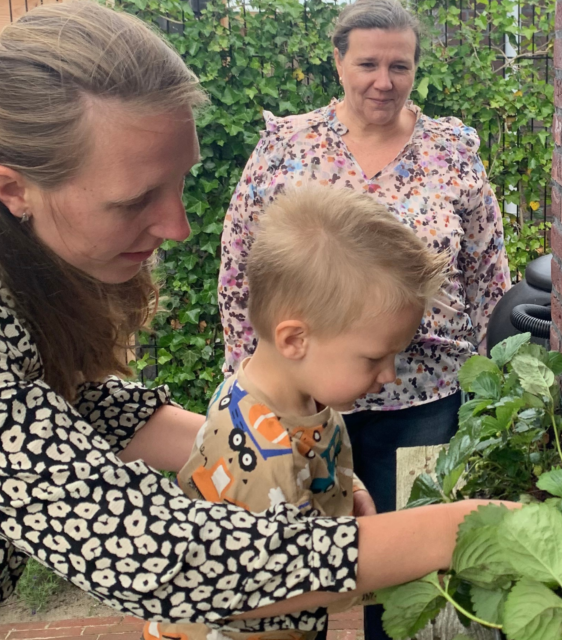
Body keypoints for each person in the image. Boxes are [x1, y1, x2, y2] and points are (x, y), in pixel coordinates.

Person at [0, 0, 505, 640]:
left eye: (180, 183)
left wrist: (275, 447)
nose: (178, 226)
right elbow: (154, 555)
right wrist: (463, 529)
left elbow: (68, 402)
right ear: (14, 189)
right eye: (135, 200)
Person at [218, 0, 511, 639]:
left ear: (415, 69)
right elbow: (240, 265)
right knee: (289, 568)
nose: (384, 81)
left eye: (399, 66)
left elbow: (487, 271)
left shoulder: (451, 150)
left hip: (424, 397)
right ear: (338, 61)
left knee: (412, 573)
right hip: (306, 402)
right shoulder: (288, 145)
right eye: (368, 64)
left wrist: (490, 379)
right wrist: (249, 375)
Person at [147, 187, 450, 640]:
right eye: (374, 358)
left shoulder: (289, 398)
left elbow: (316, 455)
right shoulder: (266, 460)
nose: (390, 375)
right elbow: (295, 578)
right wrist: (412, 561)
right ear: (295, 340)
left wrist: (350, 488)